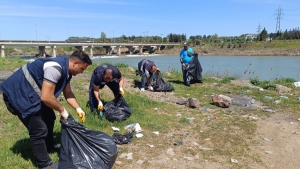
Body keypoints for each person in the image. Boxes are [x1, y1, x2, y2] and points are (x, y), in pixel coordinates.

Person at [0, 50, 92, 169]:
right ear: (75, 63)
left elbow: (68, 93)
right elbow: (46, 97)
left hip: (32, 93)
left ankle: (49, 145)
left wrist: (78, 108)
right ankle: (44, 164)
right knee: (39, 129)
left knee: (49, 117)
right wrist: (62, 110)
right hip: (18, 94)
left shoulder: (67, 71)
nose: (82, 72)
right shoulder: (55, 68)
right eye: (82, 69)